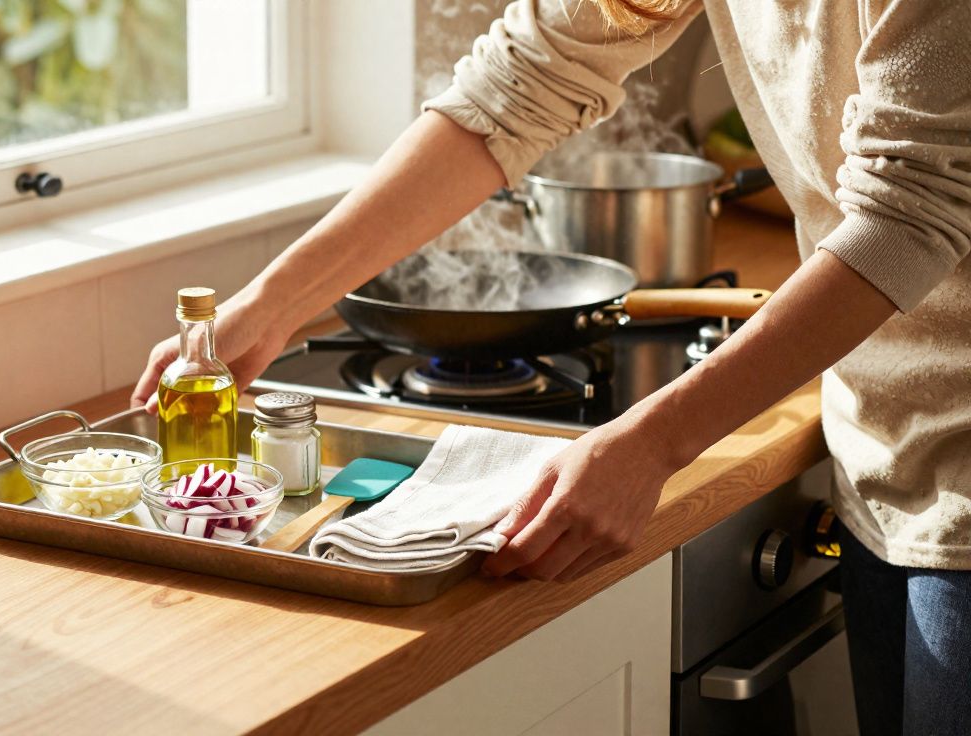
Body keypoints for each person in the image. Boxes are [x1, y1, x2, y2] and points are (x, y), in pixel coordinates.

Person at [132, 2, 971, 732]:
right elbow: (525, 75)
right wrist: (270, 305)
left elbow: (908, 213)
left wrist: (651, 443)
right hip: (883, 436)